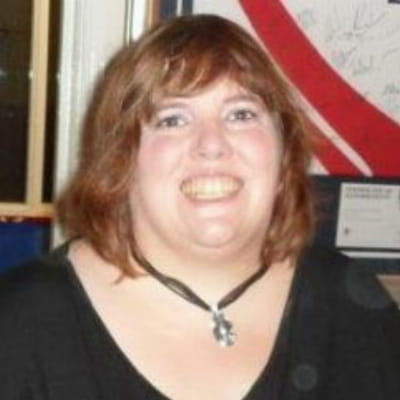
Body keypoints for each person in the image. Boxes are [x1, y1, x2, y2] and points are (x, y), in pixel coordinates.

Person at [0, 14, 399, 400]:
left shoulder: (352, 307)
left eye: (241, 114)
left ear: (284, 152)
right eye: (172, 120)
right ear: (120, 161)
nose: (212, 145)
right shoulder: (19, 325)